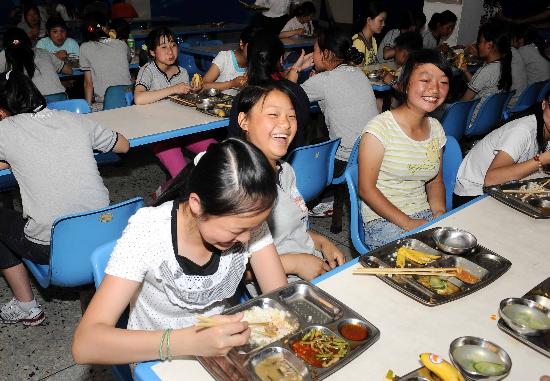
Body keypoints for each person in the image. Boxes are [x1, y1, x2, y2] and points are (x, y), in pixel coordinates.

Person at [71, 138, 288, 364]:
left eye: (252, 228)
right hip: (157, 357)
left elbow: (281, 299)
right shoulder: (148, 232)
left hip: (221, 349)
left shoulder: (247, 218)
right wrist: (189, 343)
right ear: (197, 204)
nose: (246, 238)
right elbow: (85, 345)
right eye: (238, 230)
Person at [0, 70, 130, 326]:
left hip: (51, 247)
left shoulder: (5, 130)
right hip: (105, 234)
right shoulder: (73, 119)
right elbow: (124, 145)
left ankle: (27, 306)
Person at [234, 84, 346, 294]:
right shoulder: (237, 185)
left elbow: (293, 229)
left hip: (311, 264)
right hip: (279, 286)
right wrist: (293, 263)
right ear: (244, 121)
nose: (285, 124)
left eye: (291, 116)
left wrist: (323, 243)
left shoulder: (285, 170)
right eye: (273, 114)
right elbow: (227, 273)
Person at [358, 49, 450, 249]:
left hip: (422, 214)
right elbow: (366, 190)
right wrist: (408, 223)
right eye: (425, 80)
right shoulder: (379, 130)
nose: (435, 89)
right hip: (383, 222)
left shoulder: (436, 129)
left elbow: (435, 181)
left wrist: (440, 215)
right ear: (405, 84)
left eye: (443, 82)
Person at [134, 27, 216, 188]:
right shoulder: (147, 70)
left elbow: (182, 103)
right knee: (184, 177)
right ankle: (169, 190)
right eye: (163, 47)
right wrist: (173, 89)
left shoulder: (183, 72)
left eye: (173, 45)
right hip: (159, 134)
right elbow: (139, 98)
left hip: (182, 130)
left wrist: (193, 92)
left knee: (219, 152)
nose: (170, 51)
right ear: (152, 52)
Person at [453, 91, 550, 207]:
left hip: (506, 187)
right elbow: (491, 178)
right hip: (473, 195)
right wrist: (542, 159)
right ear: (544, 105)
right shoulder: (522, 131)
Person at [228, 30, 310, 151]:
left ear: (249, 60)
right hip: (298, 162)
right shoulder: (296, 91)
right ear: (281, 59)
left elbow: (234, 143)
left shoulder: (245, 97)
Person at [459, 20, 512, 125]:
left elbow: (463, 103)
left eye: (480, 42)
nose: (478, 45)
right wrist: (465, 71)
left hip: (473, 119)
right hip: (489, 118)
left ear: (489, 45)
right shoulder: (502, 65)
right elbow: (481, 85)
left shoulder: (486, 70)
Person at [79, 12, 132, 110]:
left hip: (105, 104)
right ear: (106, 28)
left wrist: (88, 107)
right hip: (129, 101)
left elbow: (88, 83)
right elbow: (128, 60)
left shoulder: (84, 48)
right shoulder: (121, 44)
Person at [0, 27, 72, 97]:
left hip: (34, 102)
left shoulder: (5, 54)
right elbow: (69, 70)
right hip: (59, 96)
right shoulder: (42, 52)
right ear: (27, 40)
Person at [202, 27, 255, 96]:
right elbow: (203, 86)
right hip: (216, 102)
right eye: (252, 47)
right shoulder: (225, 57)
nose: (255, 52)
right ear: (242, 44)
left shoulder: (258, 62)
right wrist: (232, 83)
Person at [352, 0, 387, 67]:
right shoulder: (358, 42)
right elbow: (357, 73)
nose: (383, 24)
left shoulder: (373, 39)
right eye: (381, 21)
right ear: (369, 20)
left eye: (384, 21)